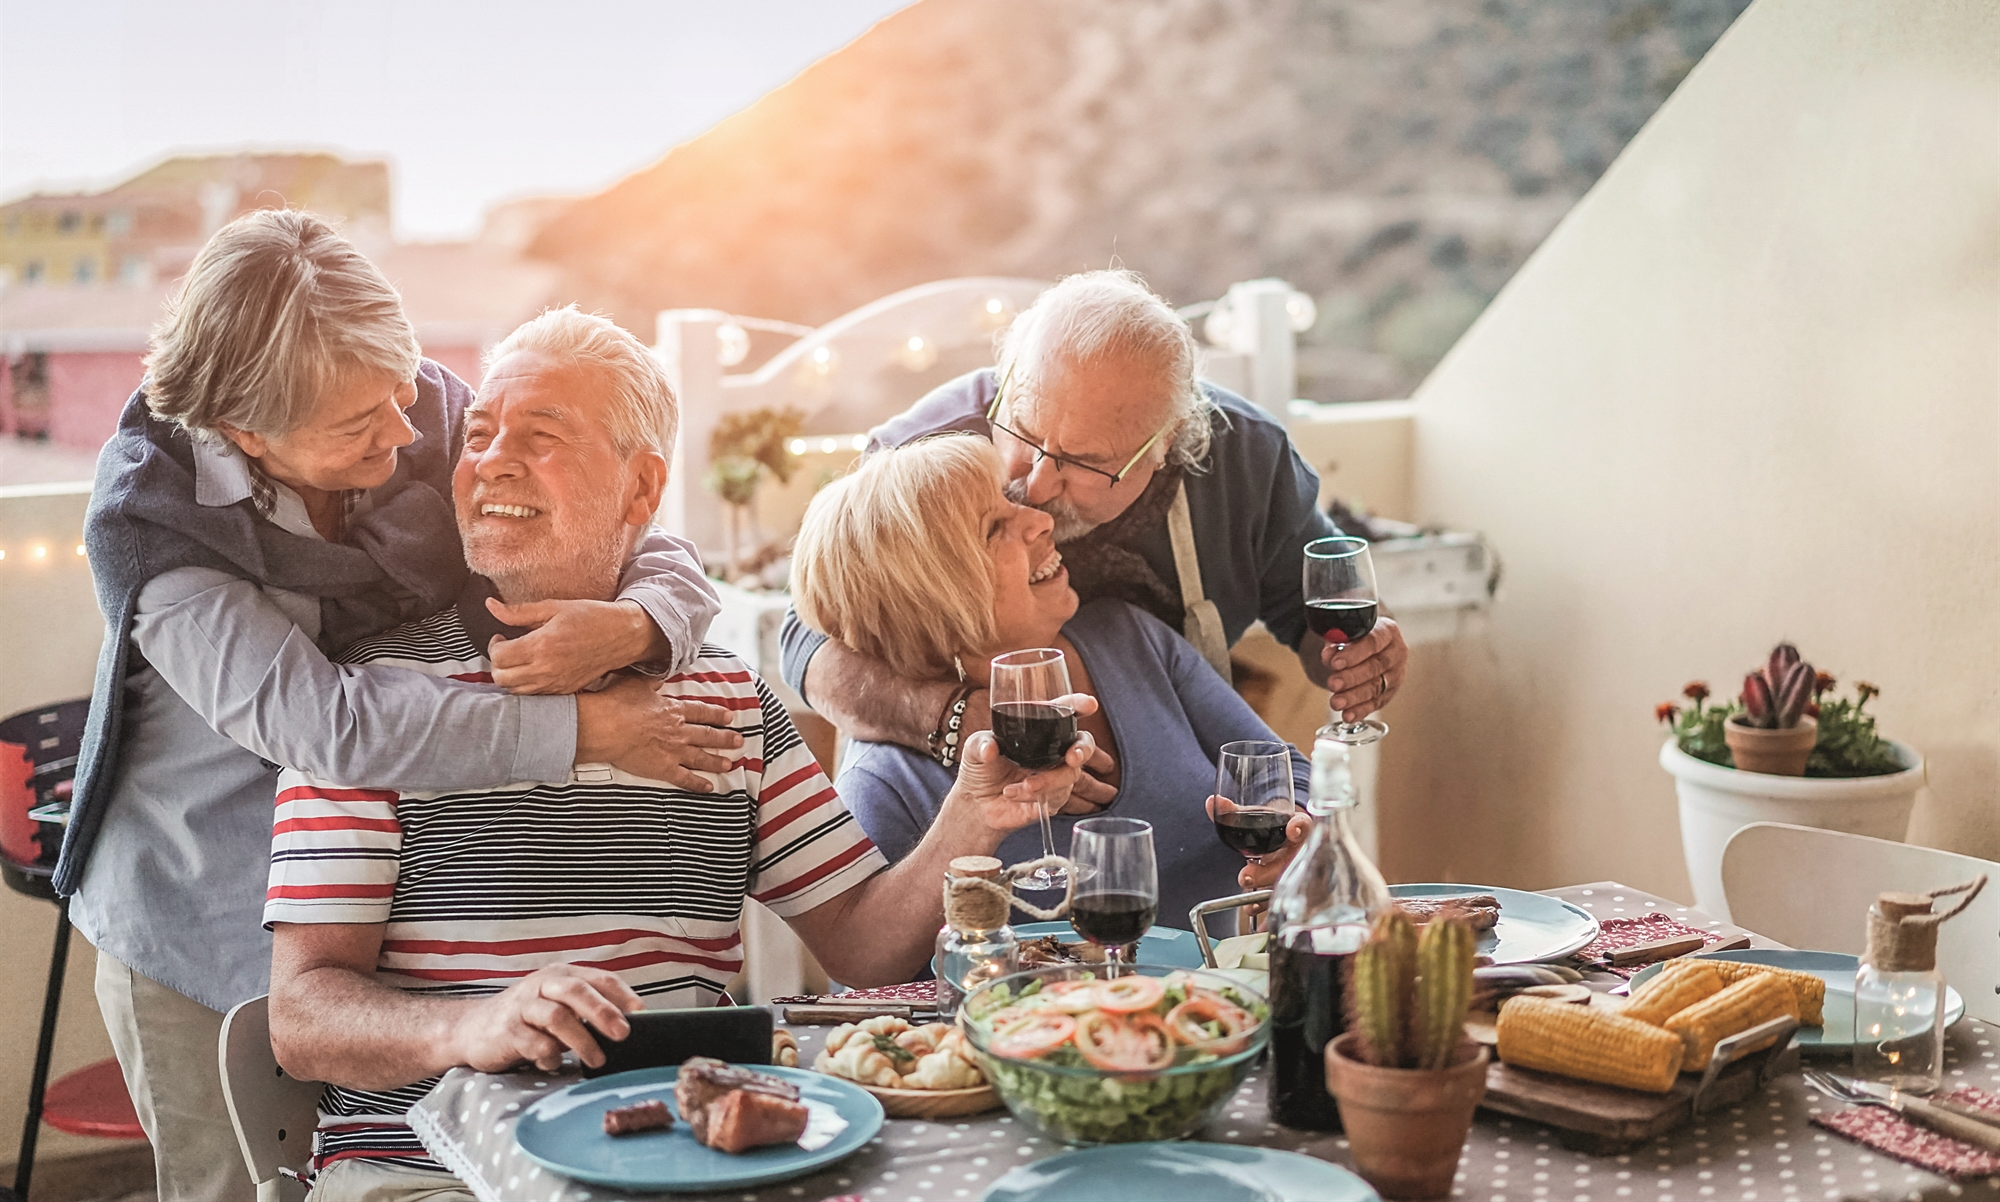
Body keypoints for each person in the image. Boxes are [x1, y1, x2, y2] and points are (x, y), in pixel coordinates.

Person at [264, 308, 1090, 1199]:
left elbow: (862, 944)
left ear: (641, 488)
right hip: (429, 1170)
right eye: (479, 434)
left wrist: (973, 814)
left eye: (541, 436)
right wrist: (471, 1027)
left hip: (687, 1155)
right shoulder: (367, 703)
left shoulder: (729, 695)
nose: (492, 460)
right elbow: (302, 1016)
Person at [59, 212, 737, 1202]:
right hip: (198, 898)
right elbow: (329, 728)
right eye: (357, 425)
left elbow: (629, 524)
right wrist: (583, 731)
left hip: (363, 903)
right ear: (246, 432)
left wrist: (640, 624)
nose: (407, 432)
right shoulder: (151, 524)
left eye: (400, 390)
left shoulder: (405, 400)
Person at [779, 269, 1408, 809]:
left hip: (1173, 789)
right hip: (953, 792)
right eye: (1023, 432)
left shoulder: (1248, 458)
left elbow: (1317, 611)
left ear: (1168, 441)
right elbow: (807, 639)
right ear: (1008, 378)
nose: (1037, 485)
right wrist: (954, 720)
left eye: (1085, 462)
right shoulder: (922, 456)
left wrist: (1358, 661)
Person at [791, 433, 1314, 935]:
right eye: (995, 528)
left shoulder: (1131, 639)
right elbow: (870, 978)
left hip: (1211, 995)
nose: (1042, 520)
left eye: (1012, 501)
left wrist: (1294, 831)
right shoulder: (885, 779)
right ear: (932, 595)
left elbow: (1280, 771)